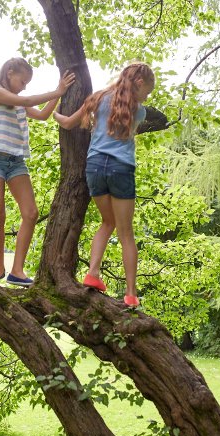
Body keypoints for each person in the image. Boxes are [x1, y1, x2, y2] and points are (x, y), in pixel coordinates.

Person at [53, 63, 155, 307]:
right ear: (140, 83)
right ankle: (130, 294)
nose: (147, 97)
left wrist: (55, 113)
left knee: (107, 222)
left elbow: (67, 122)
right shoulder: (139, 111)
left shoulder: (98, 98)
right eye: (148, 92)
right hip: (121, 169)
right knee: (126, 232)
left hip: (95, 167)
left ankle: (93, 274)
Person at [0, 57, 75, 286]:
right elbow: (28, 99)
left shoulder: (19, 103)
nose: (24, 86)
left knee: (31, 213)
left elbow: (42, 115)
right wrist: (57, 90)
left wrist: (61, 94)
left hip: (16, 162)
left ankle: (17, 271)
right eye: (23, 81)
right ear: (10, 72)